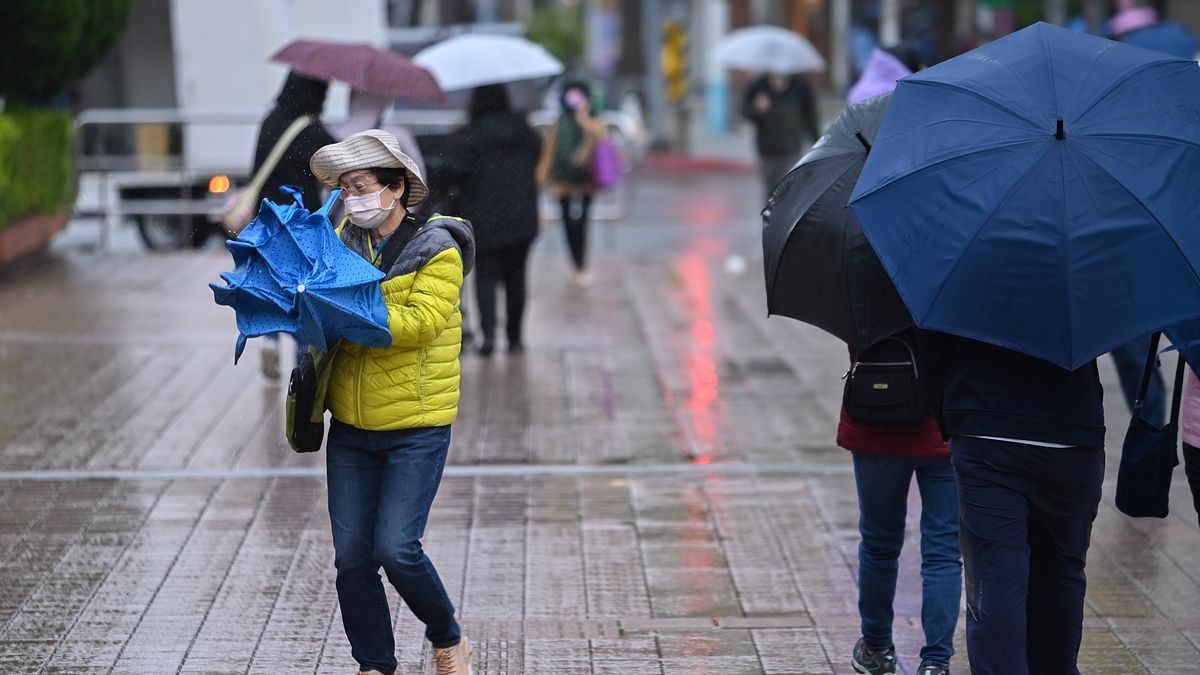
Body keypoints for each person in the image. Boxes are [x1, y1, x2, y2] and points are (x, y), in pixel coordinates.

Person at [308, 129, 476, 675]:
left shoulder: (438, 249)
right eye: (345, 188)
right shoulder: (338, 242)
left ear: (397, 187)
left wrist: (350, 311)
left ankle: (447, 638)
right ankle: (374, 664)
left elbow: (421, 323)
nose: (352, 198)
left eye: (362, 186)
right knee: (352, 558)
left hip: (415, 426)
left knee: (396, 548)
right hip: (351, 426)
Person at [919, 332, 1106, 675]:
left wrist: (952, 419)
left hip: (985, 424)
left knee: (996, 573)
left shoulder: (962, 292)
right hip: (1071, 428)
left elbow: (931, 345)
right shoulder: (1084, 292)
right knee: (1061, 568)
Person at [840, 333, 960, 675]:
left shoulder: (865, 299)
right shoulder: (953, 298)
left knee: (879, 544)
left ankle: (876, 648)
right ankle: (935, 661)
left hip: (876, 426)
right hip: (942, 430)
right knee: (943, 550)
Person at [250, 71, 338, 378]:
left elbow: (256, 168)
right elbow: (334, 164)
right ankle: (302, 361)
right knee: (303, 292)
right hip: (301, 224)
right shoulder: (311, 131)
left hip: (267, 220)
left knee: (272, 285)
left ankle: (270, 342)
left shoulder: (269, 121)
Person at [444, 84, 542, 356]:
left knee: (485, 277)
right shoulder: (525, 132)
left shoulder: (470, 135)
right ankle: (515, 338)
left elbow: (455, 171)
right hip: (522, 216)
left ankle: (488, 337)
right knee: (517, 277)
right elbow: (536, 157)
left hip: (483, 217)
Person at [536, 80, 607, 287]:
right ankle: (576, 264)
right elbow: (550, 150)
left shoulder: (593, 119)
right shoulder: (560, 121)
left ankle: (581, 264)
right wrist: (541, 176)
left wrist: (583, 119)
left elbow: (602, 139)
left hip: (587, 180)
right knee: (568, 222)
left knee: (583, 222)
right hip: (563, 180)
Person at [740, 72, 820, 198]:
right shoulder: (759, 86)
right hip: (767, 149)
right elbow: (746, 111)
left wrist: (817, 141)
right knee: (771, 192)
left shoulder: (800, 86)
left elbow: (810, 116)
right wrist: (758, 109)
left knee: (789, 190)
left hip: (791, 147)